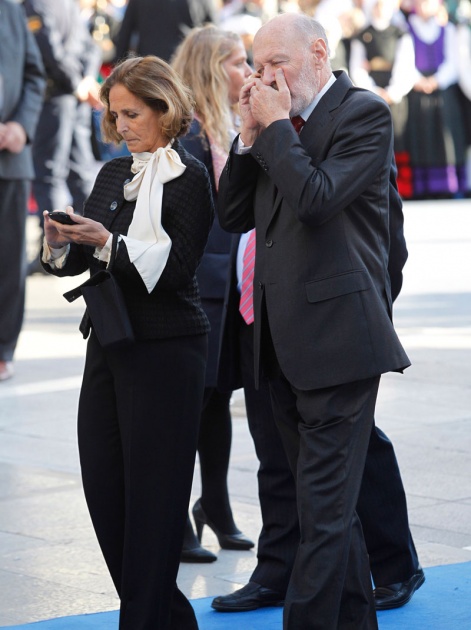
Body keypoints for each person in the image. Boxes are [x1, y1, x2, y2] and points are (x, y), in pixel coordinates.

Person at [217, 12, 411, 630]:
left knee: (322, 517)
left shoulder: (363, 112)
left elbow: (319, 198)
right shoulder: (275, 122)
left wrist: (273, 127)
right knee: (328, 509)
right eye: (258, 66)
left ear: (319, 52)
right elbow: (231, 216)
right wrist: (250, 136)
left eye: (279, 64)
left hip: (339, 342)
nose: (266, 78)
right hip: (276, 339)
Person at [40, 55, 214, 629]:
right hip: (111, 345)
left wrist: (107, 241)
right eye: (114, 116)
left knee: (156, 504)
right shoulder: (113, 173)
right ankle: (166, 617)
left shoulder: (189, 178)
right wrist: (63, 243)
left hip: (168, 352)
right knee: (105, 493)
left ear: (166, 111)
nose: (120, 127)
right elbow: (83, 260)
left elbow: (172, 271)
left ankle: (143, 621)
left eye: (132, 114)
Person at [211, 165, 425, 612]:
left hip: (328, 322)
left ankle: (393, 565)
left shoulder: (344, 124)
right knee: (273, 447)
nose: (249, 90)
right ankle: (277, 567)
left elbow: (388, 235)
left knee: (354, 450)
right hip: (258, 314)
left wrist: (372, 305)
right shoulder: (243, 137)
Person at [171, 24, 254, 562]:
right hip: (198, 282)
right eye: (239, 62)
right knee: (188, 403)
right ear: (210, 67)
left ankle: (216, 508)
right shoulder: (185, 133)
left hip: (231, 281)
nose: (248, 73)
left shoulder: (231, 125)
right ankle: (176, 518)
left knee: (218, 399)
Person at [23, 0, 102, 274]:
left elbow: (49, 50)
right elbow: (89, 47)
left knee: (50, 174)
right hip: (73, 97)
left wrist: (77, 81)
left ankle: (61, 247)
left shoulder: (37, 4)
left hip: (56, 97)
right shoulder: (65, 3)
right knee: (79, 171)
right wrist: (85, 79)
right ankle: (92, 243)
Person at [0, 0, 45, 382]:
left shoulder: (11, 10)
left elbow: (34, 75)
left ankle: (2, 347)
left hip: (9, 158)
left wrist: (20, 126)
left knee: (8, 256)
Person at [349, 0, 416, 198]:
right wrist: (373, 91)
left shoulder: (400, 33)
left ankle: (402, 187)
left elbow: (406, 66)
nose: (379, 7)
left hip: (395, 97)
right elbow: (357, 68)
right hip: (372, 97)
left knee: (399, 139)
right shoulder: (362, 35)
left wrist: (393, 92)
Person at [405, 0, 467, 198]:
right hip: (416, 92)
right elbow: (405, 60)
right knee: (420, 137)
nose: (424, 6)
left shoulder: (447, 29)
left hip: (442, 92)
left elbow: (454, 63)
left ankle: (447, 186)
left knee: (445, 138)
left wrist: (436, 80)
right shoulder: (406, 28)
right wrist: (418, 81)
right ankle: (423, 186)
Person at [114, 0, 218, 62]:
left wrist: (118, 68)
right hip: (187, 65)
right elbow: (213, 34)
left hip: (150, 66)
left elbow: (124, 35)